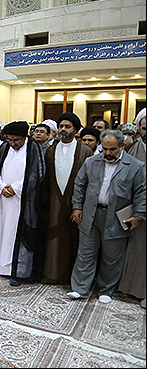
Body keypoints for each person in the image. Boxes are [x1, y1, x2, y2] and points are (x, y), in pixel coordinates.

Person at [68, 129, 146, 304]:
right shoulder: (91, 162)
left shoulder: (135, 166)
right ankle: (80, 288)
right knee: (85, 253)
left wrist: (139, 215)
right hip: (90, 214)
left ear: (122, 146)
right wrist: (77, 207)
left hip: (117, 218)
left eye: (113, 150)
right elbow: (79, 185)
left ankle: (106, 290)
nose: (108, 153)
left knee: (112, 257)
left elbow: (142, 192)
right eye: (105, 149)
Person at [0, 121, 48, 286]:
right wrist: (1, 187)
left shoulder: (33, 148)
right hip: (4, 199)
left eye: (16, 140)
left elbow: (38, 173)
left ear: (24, 137)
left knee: (19, 234)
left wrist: (16, 188)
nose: (13, 143)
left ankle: (19, 271)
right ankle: (3, 267)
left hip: (23, 200)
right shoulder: (4, 148)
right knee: (4, 233)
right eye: (10, 140)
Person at [41, 112, 93, 285]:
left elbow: (89, 181)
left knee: (72, 240)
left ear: (76, 130)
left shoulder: (85, 151)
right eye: (61, 126)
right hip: (53, 204)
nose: (63, 129)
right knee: (52, 239)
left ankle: (69, 277)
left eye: (67, 126)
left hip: (75, 203)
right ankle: (51, 274)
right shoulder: (50, 150)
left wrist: (80, 205)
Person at [117, 108, 146, 308]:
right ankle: (136, 289)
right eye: (145, 128)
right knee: (138, 250)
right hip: (138, 207)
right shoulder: (134, 149)